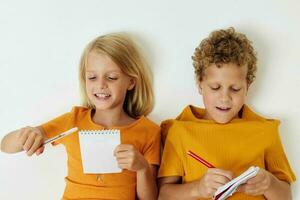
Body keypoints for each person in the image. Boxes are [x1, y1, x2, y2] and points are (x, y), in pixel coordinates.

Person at [0, 33, 161, 200]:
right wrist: (30, 134)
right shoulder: (73, 120)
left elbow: (149, 198)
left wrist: (142, 168)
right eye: (92, 77)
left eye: (112, 77)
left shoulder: (149, 131)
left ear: (131, 82)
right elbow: (4, 145)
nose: (100, 85)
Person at [158, 27, 296, 200]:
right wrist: (197, 189)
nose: (224, 98)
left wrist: (269, 183)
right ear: (200, 84)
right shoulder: (179, 131)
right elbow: (163, 195)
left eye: (235, 89)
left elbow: (286, 196)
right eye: (215, 87)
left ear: (247, 87)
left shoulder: (266, 131)